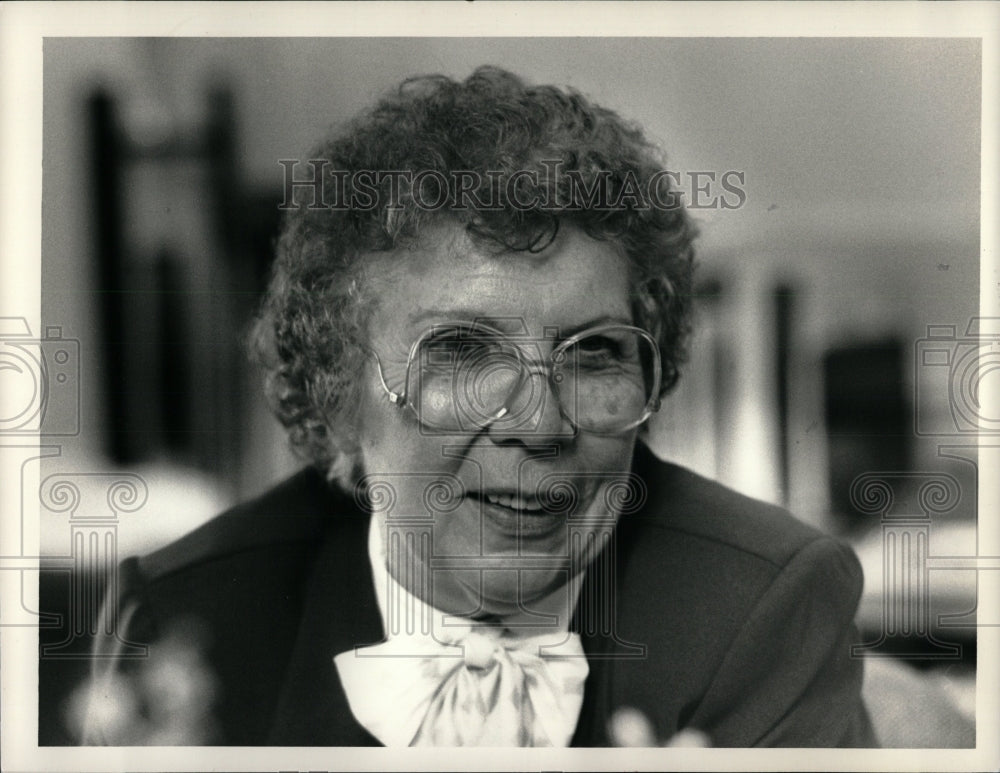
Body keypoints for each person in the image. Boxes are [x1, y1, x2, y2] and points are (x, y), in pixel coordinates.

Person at [83, 66, 875, 747]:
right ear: (338, 402)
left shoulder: (761, 606)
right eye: (461, 351)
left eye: (595, 351)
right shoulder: (190, 616)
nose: (539, 425)